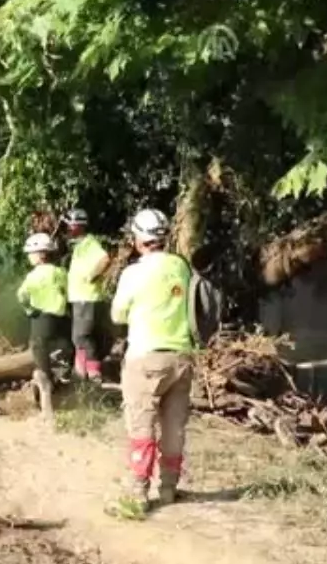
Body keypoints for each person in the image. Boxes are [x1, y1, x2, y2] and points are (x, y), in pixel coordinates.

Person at [109, 208, 196, 513]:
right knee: (174, 427)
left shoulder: (134, 273)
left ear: (138, 239)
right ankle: (170, 488)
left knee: (141, 423)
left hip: (145, 357)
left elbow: (117, 314)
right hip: (182, 357)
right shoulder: (181, 267)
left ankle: (137, 493)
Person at [16, 232, 71, 420]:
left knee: (40, 355)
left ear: (40, 254)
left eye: (30, 253)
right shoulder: (61, 272)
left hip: (41, 319)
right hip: (61, 320)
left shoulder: (34, 276)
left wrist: (29, 310)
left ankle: (46, 396)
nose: (29, 257)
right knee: (62, 351)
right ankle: (61, 382)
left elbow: (21, 295)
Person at [63, 208, 112, 380]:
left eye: (68, 225)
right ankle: (80, 373)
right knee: (78, 338)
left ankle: (93, 373)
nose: (66, 229)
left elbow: (105, 259)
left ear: (77, 225)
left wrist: (92, 276)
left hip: (87, 298)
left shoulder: (90, 244)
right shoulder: (79, 246)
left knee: (82, 337)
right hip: (80, 298)